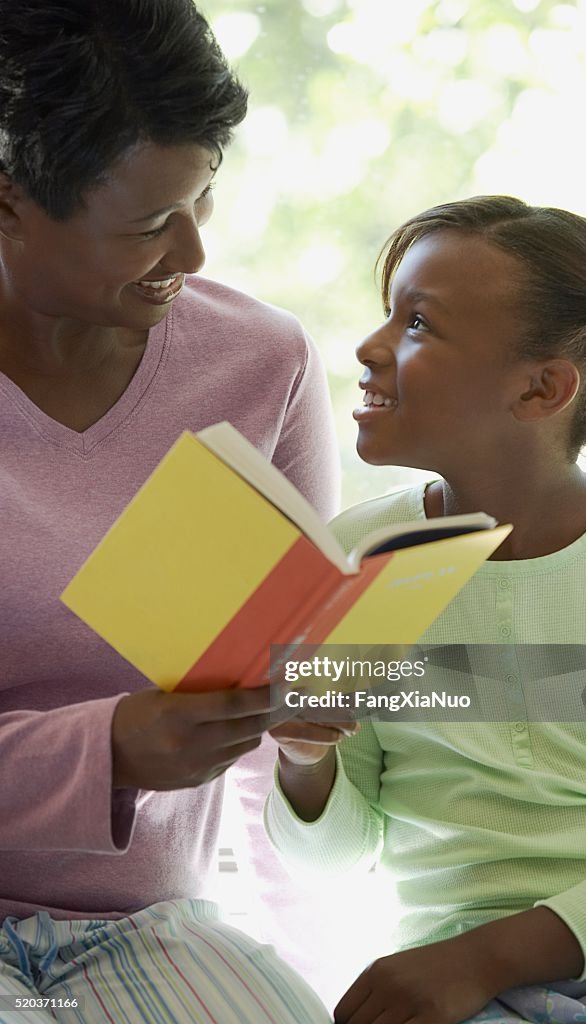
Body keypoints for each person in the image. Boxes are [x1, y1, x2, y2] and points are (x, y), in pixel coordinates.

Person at [265, 196, 586, 1024]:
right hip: (440, 989)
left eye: (418, 325)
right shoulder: (352, 559)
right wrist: (305, 761)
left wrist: (478, 961)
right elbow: (335, 858)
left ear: (540, 389)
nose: (368, 347)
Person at [0, 2, 338, 1022]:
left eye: (201, 200)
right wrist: (109, 750)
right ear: (7, 204)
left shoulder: (260, 362)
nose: (191, 252)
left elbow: (286, 690)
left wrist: (316, 737)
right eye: (148, 224)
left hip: (152, 921)